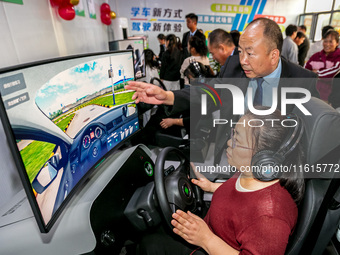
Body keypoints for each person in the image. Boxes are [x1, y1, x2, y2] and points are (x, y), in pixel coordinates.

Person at [126, 18, 319, 164]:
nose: (243, 60)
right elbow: (208, 92)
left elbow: (307, 137)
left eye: (250, 53)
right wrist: (167, 96)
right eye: (241, 51)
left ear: (273, 55)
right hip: (232, 156)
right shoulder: (235, 67)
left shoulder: (303, 82)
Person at [137, 108, 305, 254]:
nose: (229, 143)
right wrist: (212, 187)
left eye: (237, 140)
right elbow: (244, 198)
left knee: (149, 244)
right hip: (208, 233)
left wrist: (206, 239)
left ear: (263, 158)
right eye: (233, 134)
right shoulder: (251, 173)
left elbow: (253, 211)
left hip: (210, 244)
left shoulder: (270, 217)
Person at [305, 29, 340, 101]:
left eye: (331, 42)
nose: (327, 44)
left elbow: (332, 73)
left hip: (329, 98)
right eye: (325, 41)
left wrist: (316, 73)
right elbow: (305, 70)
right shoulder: (316, 56)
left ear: (337, 43)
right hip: (311, 94)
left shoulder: (338, 57)